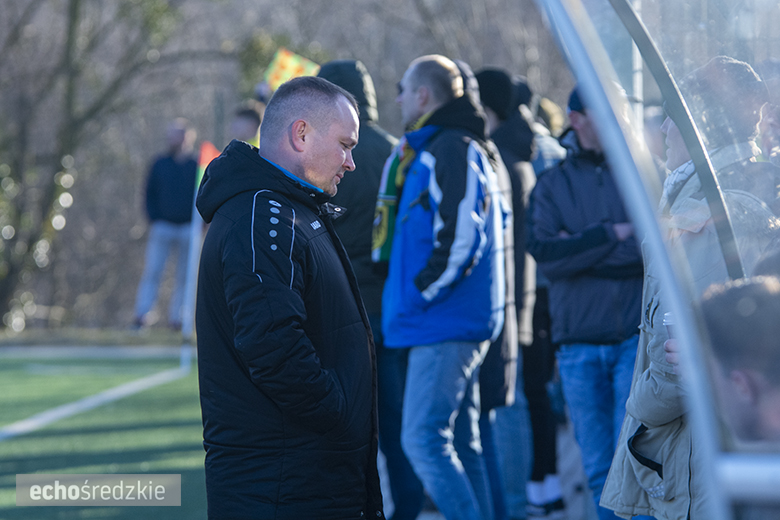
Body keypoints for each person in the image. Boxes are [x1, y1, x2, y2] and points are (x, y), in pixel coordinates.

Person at [194, 76, 383, 520]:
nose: (350, 162)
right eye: (345, 144)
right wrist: (338, 414)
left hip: (307, 478)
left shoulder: (289, 207)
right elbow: (273, 345)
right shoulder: (262, 215)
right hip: (282, 487)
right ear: (301, 134)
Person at [602, 56, 778, 520]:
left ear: (700, 126)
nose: (661, 128)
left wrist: (637, 405)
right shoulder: (753, 189)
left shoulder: (709, 210)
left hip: (703, 449)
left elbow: (678, 354)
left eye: (673, 116)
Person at [379, 54, 508, 520]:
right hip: (451, 319)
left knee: (420, 439)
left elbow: (461, 237)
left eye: (403, 88)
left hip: (444, 321)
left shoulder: (449, 147)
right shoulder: (447, 144)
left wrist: (420, 293)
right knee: (461, 442)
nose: (396, 97)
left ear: (424, 95)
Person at [527, 87, 645, 520]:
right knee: (598, 470)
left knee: (633, 466)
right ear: (577, 119)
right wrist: (613, 234)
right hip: (577, 343)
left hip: (636, 340)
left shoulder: (642, 176)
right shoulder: (552, 183)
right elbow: (546, 255)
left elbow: (653, 251)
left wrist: (580, 248)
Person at [316, 59, 420, 520]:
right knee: (397, 426)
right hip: (390, 305)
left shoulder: (322, 152)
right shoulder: (398, 152)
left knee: (341, 426)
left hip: (339, 307)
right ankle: (408, 509)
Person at [475, 67, 537, 520]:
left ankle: (513, 509)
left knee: (505, 412)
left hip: (505, 306)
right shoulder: (515, 155)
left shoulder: (505, 163)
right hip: (516, 305)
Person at [133, 117, 198, 329]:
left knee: (185, 277)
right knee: (152, 272)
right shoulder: (159, 163)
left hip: (189, 228)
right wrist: (153, 218)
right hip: (162, 227)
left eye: (177, 133)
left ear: (187, 137)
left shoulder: (197, 165)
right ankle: (142, 316)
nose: (172, 138)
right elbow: (148, 193)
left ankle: (178, 318)